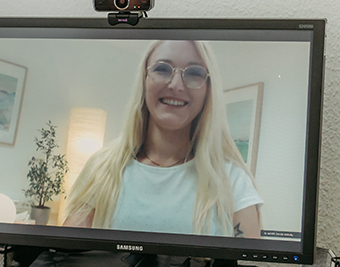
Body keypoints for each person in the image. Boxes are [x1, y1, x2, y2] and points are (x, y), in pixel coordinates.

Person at [63, 40, 262, 238]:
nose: (176, 85)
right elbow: (64, 259)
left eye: (194, 73)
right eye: (162, 69)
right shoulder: (102, 169)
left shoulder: (233, 182)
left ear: (208, 90)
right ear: (144, 80)